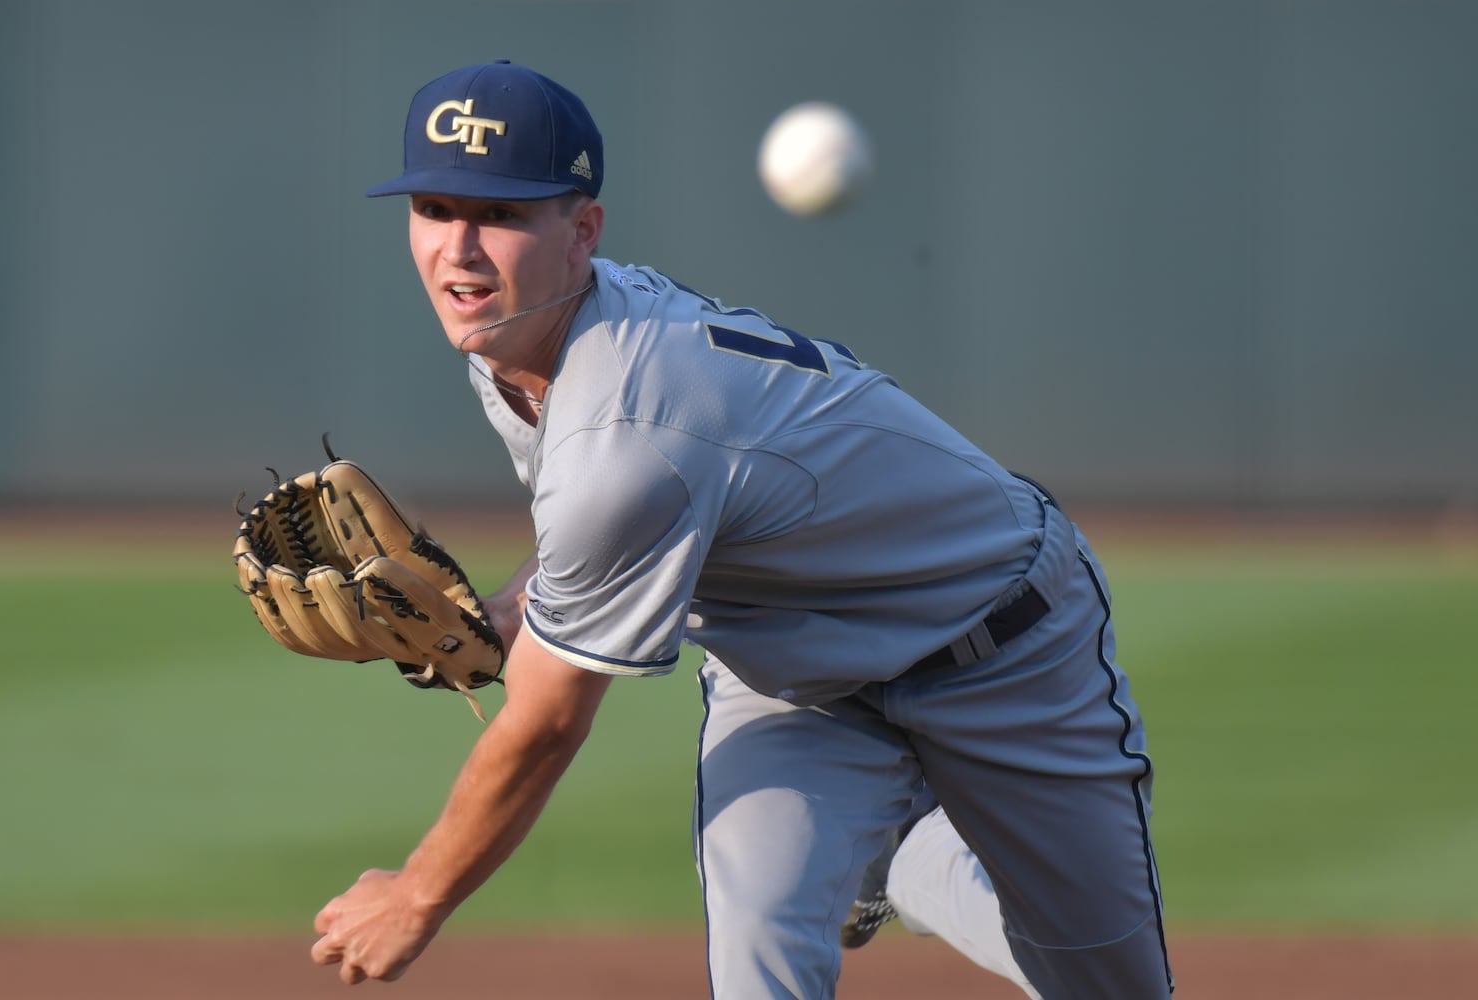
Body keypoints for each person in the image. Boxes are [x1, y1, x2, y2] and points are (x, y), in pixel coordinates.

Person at [309, 59, 1174, 999]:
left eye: (503, 214)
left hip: (1004, 647)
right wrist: (505, 612)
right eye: (434, 207)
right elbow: (605, 528)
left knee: (1108, 988)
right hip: (794, 685)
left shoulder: (628, 422)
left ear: (582, 231)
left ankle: (909, 861)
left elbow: (549, 719)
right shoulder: (517, 336)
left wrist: (419, 895)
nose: (459, 248)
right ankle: (888, 860)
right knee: (762, 960)